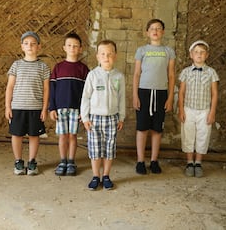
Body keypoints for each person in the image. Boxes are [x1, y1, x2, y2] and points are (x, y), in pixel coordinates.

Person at [81, 40, 125, 190]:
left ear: (115, 56)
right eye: (103, 54)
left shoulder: (119, 76)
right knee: (95, 149)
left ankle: (106, 176)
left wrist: (121, 116)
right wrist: (85, 117)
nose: (106, 57)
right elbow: (85, 97)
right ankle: (96, 176)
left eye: (110, 54)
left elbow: (121, 97)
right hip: (95, 118)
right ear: (98, 56)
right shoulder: (93, 75)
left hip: (112, 118)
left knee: (109, 148)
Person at [133, 19, 175, 174]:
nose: (155, 31)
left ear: (163, 32)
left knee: (157, 129)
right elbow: (137, 74)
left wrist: (170, 97)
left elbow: (171, 75)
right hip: (144, 92)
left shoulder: (168, 51)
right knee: (142, 128)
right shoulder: (142, 50)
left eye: (158, 28)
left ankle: (154, 160)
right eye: (152, 28)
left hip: (161, 93)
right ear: (147, 32)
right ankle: (140, 161)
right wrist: (135, 95)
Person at [5, 31, 50, 176]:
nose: (29, 46)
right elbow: (10, 87)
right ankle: (18, 161)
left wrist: (44, 109)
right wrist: (8, 106)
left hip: (35, 108)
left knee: (34, 135)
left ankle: (32, 162)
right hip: (17, 107)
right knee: (16, 135)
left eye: (33, 43)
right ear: (22, 47)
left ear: (39, 47)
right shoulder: (16, 65)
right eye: (26, 44)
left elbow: (46, 89)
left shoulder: (43, 66)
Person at [49, 32, 89, 176]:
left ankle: (71, 161)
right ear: (64, 48)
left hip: (76, 109)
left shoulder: (83, 69)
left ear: (80, 49)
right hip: (60, 109)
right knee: (62, 136)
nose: (72, 48)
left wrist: (84, 111)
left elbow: (87, 93)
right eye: (69, 45)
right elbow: (52, 90)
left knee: (72, 135)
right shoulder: (58, 68)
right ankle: (63, 161)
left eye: (75, 46)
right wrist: (52, 108)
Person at [178, 40, 219, 177]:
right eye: (196, 52)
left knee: (203, 135)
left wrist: (212, 112)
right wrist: (181, 110)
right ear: (191, 55)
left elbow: (214, 94)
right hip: (189, 109)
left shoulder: (211, 72)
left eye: (202, 52)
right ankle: (189, 162)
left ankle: (198, 163)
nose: (199, 55)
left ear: (207, 55)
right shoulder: (186, 72)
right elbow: (182, 92)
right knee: (188, 135)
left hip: (204, 110)